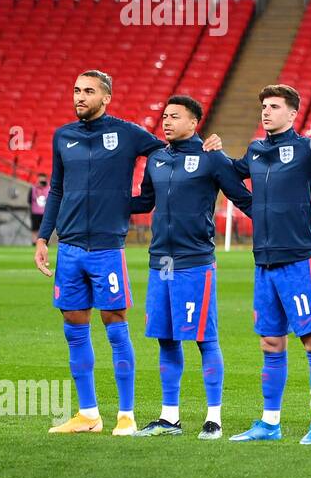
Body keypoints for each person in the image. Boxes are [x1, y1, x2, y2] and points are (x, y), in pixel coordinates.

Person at [35, 70, 221, 436]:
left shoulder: (127, 133)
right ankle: (88, 415)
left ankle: (126, 415)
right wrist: (44, 238)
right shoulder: (63, 137)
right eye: (76, 90)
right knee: (74, 329)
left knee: (115, 328)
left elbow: (170, 153)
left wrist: (203, 148)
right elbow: (56, 190)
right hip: (69, 248)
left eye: (88, 91)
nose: (80, 96)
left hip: (107, 249)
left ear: (106, 98)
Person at [228, 84, 311, 445]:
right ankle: (270, 422)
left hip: (298, 259)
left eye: (274, 106)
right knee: (270, 342)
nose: (266, 112)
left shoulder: (307, 149)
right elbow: (229, 173)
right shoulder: (256, 150)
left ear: (293, 114)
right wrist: (212, 153)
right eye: (263, 105)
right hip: (263, 260)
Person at [128, 95, 252, 439]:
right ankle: (170, 418)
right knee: (165, 339)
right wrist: (107, 202)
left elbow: (243, 198)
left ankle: (214, 418)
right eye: (164, 116)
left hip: (195, 262)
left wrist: (278, 222)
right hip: (161, 262)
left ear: (194, 122)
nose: (166, 121)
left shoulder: (211, 159)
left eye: (175, 116)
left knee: (204, 338)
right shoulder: (156, 159)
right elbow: (144, 201)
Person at [29, 173, 50, 240]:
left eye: (43, 180)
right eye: (40, 179)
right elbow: (29, 200)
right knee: (35, 228)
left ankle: (45, 242)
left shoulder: (49, 189)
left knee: (45, 228)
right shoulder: (33, 188)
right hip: (35, 212)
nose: (41, 181)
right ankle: (34, 242)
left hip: (45, 212)